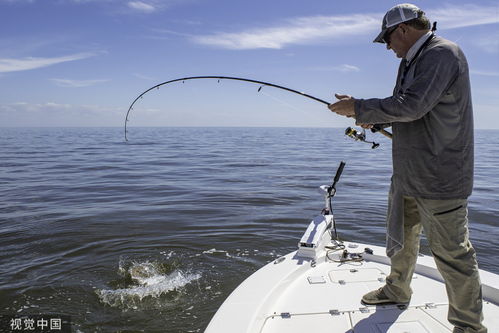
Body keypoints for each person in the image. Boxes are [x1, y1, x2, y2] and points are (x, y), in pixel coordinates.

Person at [328, 4, 486, 333]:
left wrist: (358, 108)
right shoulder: (413, 59)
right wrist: (370, 115)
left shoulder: (442, 53)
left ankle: (469, 327)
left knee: (452, 254)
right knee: (400, 237)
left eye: (386, 39)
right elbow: (408, 105)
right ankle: (396, 289)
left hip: (440, 177)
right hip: (408, 172)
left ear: (402, 30)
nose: (387, 47)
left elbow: (412, 106)